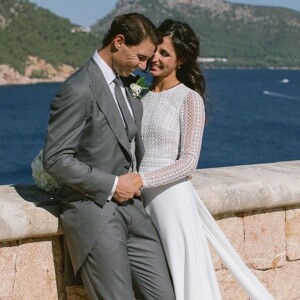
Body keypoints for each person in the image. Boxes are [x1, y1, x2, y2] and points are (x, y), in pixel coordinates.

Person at [138, 19, 275, 300]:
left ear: (181, 60)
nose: (155, 58)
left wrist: (141, 179)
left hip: (169, 202)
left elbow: (188, 163)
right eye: (155, 50)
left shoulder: (189, 99)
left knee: (183, 281)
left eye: (165, 53)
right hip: (138, 201)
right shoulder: (138, 95)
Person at [42, 13, 175, 300]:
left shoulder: (127, 85)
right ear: (118, 42)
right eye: (140, 57)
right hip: (96, 215)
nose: (144, 66)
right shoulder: (78, 89)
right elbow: (55, 159)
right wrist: (114, 185)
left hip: (135, 214)